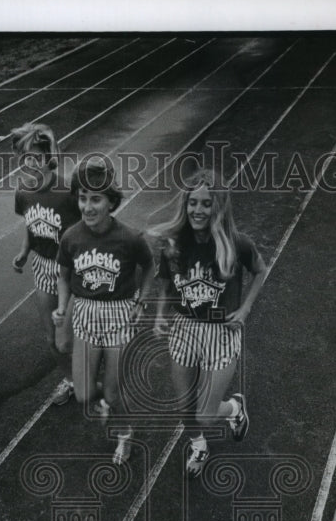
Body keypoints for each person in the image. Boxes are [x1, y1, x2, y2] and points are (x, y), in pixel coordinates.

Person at [151, 168, 267, 476]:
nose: (198, 210)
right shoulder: (173, 243)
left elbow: (260, 270)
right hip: (184, 329)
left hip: (220, 333)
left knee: (204, 414)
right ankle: (199, 445)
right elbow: (166, 284)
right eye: (193, 202)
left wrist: (244, 310)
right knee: (185, 410)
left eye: (206, 203)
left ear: (218, 206)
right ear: (185, 204)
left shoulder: (236, 243)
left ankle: (234, 408)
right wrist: (162, 315)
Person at [54, 154, 153, 465]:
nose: (87, 207)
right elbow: (63, 273)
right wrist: (61, 306)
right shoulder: (71, 237)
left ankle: (124, 433)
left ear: (111, 201)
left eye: (95, 199)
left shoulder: (129, 237)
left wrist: (141, 301)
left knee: (112, 394)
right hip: (85, 313)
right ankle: (115, 401)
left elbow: (150, 267)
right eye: (82, 198)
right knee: (84, 394)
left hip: (119, 315)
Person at [11, 123, 79, 405]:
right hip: (42, 265)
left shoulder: (67, 191)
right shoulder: (23, 193)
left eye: (36, 156)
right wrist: (25, 252)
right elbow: (30, 224)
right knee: (52, 339)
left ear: (49, 156)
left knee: (75, 336)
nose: (31, 163)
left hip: (73, 269)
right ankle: (72, 380)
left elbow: (86, 231)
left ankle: (95, 371)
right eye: (26, 157)